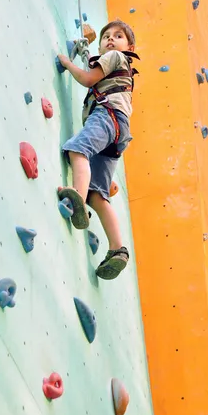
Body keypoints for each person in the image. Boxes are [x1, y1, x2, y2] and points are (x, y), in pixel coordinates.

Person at [57, 19, 139, 280]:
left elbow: (87, 78)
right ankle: (117, 249)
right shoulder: (123, 74)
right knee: (99, 195)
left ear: (129, 47)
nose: (111, 40)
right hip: (119, 133)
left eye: (118, 36)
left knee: (77, 150)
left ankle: (77, 198)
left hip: (107, 115)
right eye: (106, 37)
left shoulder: (114, 57)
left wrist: (67, 63)